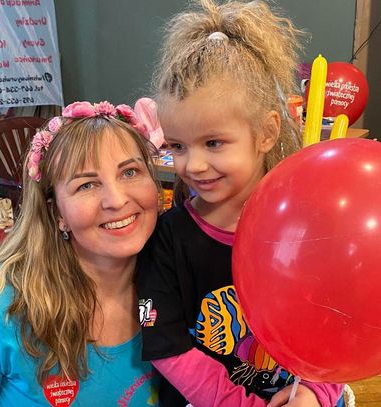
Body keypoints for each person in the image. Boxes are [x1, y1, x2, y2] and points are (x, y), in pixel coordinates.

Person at [135, 1, 345, 406]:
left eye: (214, 142)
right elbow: (165, 345)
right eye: (177, 146)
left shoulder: (307, 226)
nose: (193, 165)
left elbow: (338, 320)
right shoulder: (166, 239)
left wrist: (316, 391)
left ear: (265, 133)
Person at [0, 101, 162, 406]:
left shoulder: (178, 280)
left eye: (130, 172)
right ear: (56, 213)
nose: (116, 200)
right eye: (87, 185)